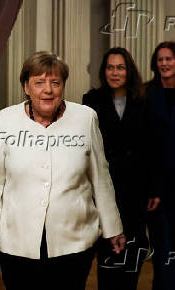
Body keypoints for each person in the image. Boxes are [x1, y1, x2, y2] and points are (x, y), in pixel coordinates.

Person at [0, 51, 125, 290]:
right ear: (26, 87)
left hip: (74, 242)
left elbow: (101, 179)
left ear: (63, 86)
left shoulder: (86, 118)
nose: (48, 89)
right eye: (39, 82)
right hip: (17, 244)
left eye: (55, 82)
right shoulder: (4, 120)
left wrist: (113, 228)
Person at [82, 47, 158, 290]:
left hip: (137, 188)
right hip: (105, 187)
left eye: (120, 67)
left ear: (129, 71)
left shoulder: (143, 100)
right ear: (104, 71)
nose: (115, 72)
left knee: (134, 249)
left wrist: (153, 188)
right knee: (108, 253)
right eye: (110, 67)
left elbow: (152, 146)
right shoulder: (91, 100)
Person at [146, 41, 175, 290]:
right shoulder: (145, 93)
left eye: (169, 59)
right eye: (161, 59)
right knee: (162, 247)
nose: (164, 63)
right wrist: (152, 186)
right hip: (157, 187)